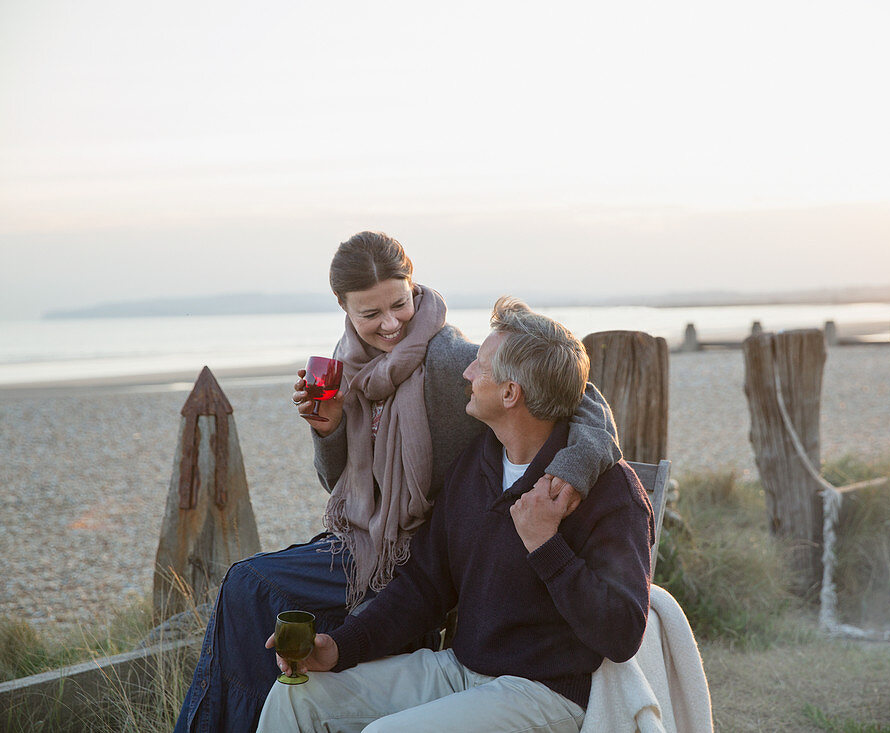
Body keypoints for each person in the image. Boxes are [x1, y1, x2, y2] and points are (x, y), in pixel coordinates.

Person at [174, 233, 621, 733]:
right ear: (344, 309)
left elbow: (568, 387)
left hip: (424, 546)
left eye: (399, 304)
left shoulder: (454, 360)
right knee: (250, 592)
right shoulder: (352, 367)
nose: (389, 324)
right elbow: (338, 484)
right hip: (381, 538)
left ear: (415, 288)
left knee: (251, 586)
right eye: (370, 314)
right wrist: (331, 430)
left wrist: (576, 464)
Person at [257, 296, 654, 733]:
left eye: (480, 365)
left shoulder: (609, 491)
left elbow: (622, 636)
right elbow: (425, 585)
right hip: (460, 670)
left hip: (545, 691)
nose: (466, 372)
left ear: (510, 393)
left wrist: (546, 545)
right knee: (296, 695)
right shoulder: (477, 463)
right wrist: (339, 647)